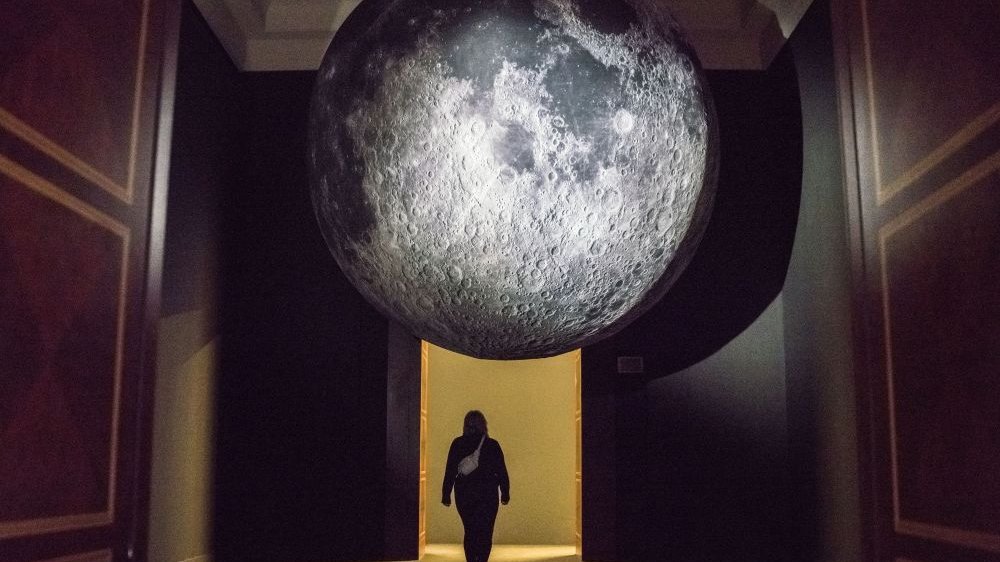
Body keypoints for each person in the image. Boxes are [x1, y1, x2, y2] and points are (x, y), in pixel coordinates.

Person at [442, 410, 510, 562]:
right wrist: (505, 493)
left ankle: (472, 559)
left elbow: (450, 470)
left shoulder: (457, 444)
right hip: (488, 495)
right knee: (486, 531)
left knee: (470, 530)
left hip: (464, 495)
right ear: (484, 425)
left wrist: (446, 494)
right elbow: (501, 471)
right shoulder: (492, 445)